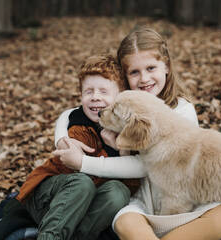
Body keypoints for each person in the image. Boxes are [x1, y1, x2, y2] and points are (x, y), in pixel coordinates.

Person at [53, 28, 221, 240]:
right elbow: (70, 113)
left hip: (181, 201)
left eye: (151, 68)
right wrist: (62, 138)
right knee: (125, 223)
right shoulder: (120, 107)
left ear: (167, 66)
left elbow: (146, 165)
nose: (144, 79)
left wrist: (83, 163)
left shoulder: (182, 110)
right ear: (124, 77)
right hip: (140, 200)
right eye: (134, 72)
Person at [17, 54, 140, 240]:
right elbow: (80, 173)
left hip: (80, 213)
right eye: (88, 92)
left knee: (118, 191)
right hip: (49, 199)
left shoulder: (126, 130)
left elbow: (132, 185)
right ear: (80, 96)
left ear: (120, 96)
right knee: (82, 184)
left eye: (104, 92)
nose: (95, 97)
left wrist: (122, 150)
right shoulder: (78, 125)